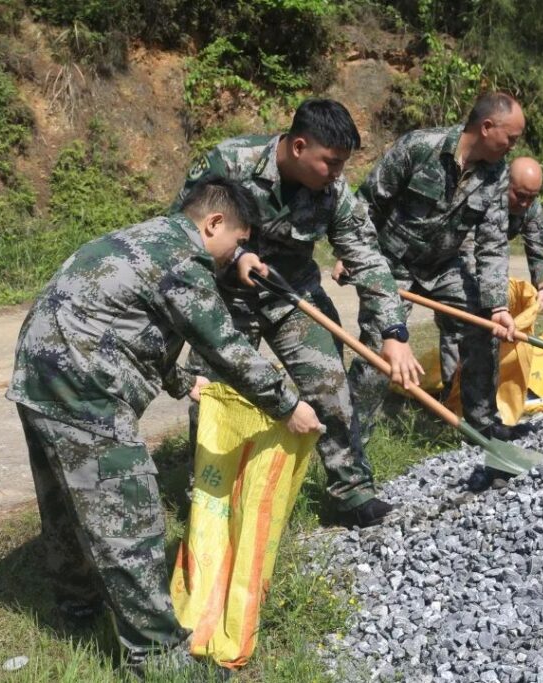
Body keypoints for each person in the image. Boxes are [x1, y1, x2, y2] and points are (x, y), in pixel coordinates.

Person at [5, 177, 321, 673]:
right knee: (130, 516)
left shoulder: (148, 237)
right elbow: (226, 346)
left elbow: (127, 321)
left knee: (66, 500)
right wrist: (288, 405)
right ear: (213, 223)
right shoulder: (184, 259)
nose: (233, 254)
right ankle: (156, 655)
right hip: (85, 389)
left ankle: (78, 605)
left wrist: (181, 380)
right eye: (237, 241)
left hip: (39, 373)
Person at [172, 98, 423, 528]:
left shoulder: (333, 192)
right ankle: (211, 497)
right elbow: (182, 231)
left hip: (293, 297)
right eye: (331, 162)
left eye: (344, 164)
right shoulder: (228, 162)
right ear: (300, 146)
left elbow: (366, 258)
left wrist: (394, 332)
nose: (338, 174)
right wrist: (233, 260)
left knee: (330, 388)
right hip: (225, 298)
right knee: (217, 397)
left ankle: (353, 493)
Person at [342, 91, 524, 441]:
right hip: (391, 265)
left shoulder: (496, 173)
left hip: (444, 265)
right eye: (511, 137)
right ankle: (351, 437)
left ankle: (482, 422)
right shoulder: (420, 146)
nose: (512, 146)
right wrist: (351, 255)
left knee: (483, 325)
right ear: (487, 127)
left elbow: (492, 243)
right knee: (380, 346)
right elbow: (367, 202)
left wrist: (498, 305)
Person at [437, 155, 543, 388]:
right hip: (454, 259)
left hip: (487, 259)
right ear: (506, 183)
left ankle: (483, 391)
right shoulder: (482, 194)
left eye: (531, 197)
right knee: (457, 321)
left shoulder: (530, 206)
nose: (524, 203)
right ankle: (452, 392)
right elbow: (468, 251)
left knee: (489, 328)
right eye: (519, 195)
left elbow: (539, 246)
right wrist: (489, 299)